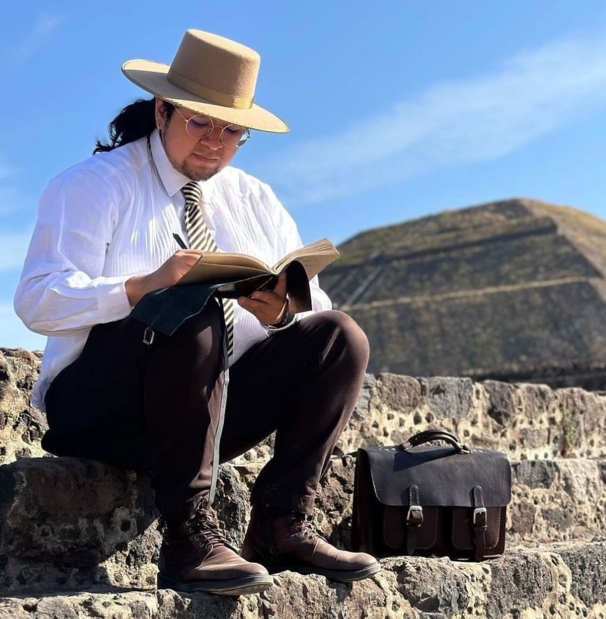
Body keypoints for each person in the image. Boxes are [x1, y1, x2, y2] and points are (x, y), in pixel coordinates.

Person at [14, 29, 379, 597]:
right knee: (188, 308)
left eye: (232, 130)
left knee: (340, 336)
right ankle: (188, 538)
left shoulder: (256, 199)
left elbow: (316, 309)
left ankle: (282, 524)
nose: (215, 141)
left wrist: (283, 310)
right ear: (163, 110)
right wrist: (143, 286)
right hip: (101, 411)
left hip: (207, 413)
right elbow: (37, 299)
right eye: (200, 123)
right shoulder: (94, 185)